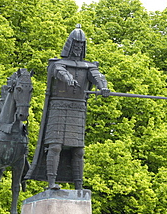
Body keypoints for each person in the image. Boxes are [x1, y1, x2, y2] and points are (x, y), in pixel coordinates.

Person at [26, 25, 110, 189]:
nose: (78, 49)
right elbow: (59, 72)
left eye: (81, 46)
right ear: (70, 45)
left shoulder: (88, 66)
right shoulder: (58, 64)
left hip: (77, 110)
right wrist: (68, 78)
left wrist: (103, 87)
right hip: (59, 108)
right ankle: (51, 183)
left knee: (78, 150)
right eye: (76, 45)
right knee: (55, 146)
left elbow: (97, 76)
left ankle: (79, 186)